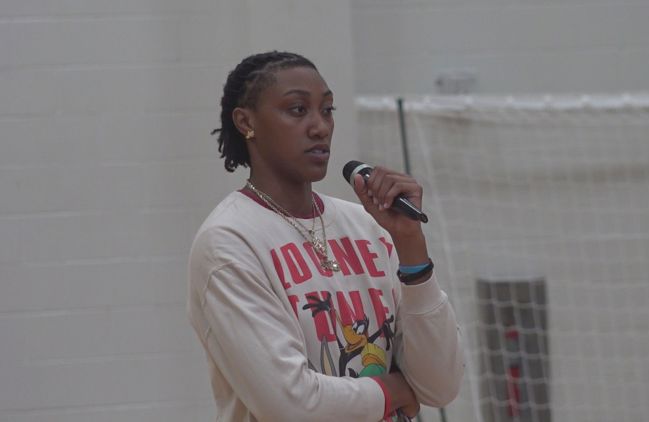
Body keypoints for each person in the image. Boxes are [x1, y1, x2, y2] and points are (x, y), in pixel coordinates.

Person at [188, 51, 464, 422]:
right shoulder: (229, 243)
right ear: (246, 122)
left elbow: (441, 385)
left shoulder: (367, 226)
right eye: (298, 110)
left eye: (327, 110)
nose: (320, 126)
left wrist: (412, 249)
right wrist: (393, 390)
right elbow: (291, 403)